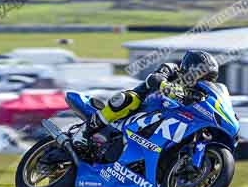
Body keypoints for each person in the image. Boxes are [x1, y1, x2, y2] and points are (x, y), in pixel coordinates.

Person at [72, 50, 220, 149]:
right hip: (143, 105)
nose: (204, 81)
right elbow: (154, 78)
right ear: (190, 68)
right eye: (202, 75)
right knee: (128, 99)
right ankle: (84, 132)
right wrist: (165, 85)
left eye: (209, 78)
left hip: (168, 118)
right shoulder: (172, 68)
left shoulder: (199, 93)